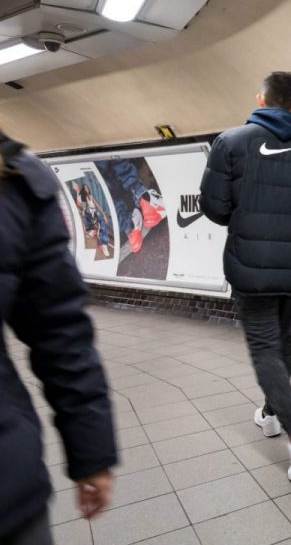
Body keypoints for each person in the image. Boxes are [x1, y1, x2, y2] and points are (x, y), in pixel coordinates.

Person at [200, 71, 291, 480]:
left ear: (260, 100)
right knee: (283, 340)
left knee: (264, 347)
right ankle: (270, 413)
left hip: (251, 263)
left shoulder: (229, 143)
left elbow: (214, 206)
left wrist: (247, 218)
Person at [0, 132, 117, 544]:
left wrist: (91, 451)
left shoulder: (14, 178)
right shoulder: (14, 177)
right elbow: (59, 330)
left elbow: (58, 329)